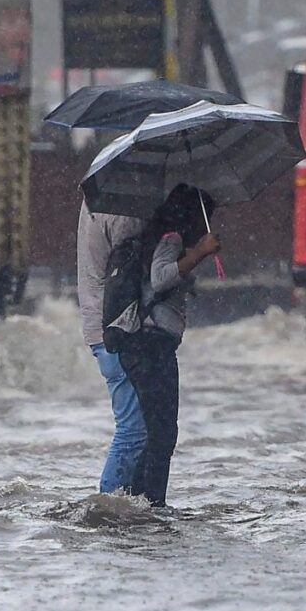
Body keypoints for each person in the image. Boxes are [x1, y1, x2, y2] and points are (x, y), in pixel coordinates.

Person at [120, 185, 222, 507]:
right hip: (152, 346)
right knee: (163, 434)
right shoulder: (171, 238)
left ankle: (134, 503)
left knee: (158, 433)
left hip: (145, 347)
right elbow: (162, 277)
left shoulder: (158, 237)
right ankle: (150, 506)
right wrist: (200, 252)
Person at [77, 200, 147, 493]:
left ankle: (126, 504)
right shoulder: (120, 213)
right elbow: (134, 262)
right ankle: (109, 505)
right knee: (133, 431)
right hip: (114, 329)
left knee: (135, 429)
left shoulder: (95, 202)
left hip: (101, 326)